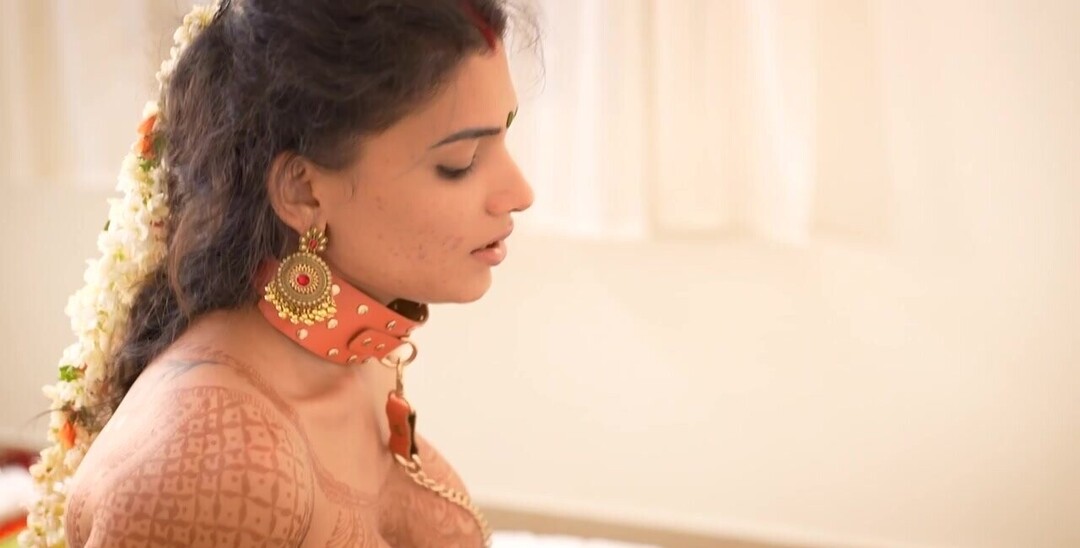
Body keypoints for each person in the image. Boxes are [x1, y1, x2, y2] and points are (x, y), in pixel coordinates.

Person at [59, 0, 534, 546]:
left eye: (505, 133)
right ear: (303, 191)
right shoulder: (215, 464)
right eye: (461, 162)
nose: (520, 193)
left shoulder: (358, 358)